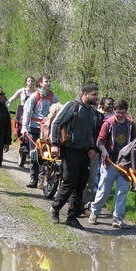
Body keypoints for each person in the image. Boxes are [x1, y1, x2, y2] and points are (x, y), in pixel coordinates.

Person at [49, 83, 103, 229]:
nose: (96, 97)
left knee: (81, 185)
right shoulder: (73, 106)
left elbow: (93, 133)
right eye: (94, 94)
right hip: (70, 151)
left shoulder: (92, 112)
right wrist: (54, 144)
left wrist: (93, 149)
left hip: (85, 153)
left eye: (97, 94)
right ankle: (55, 208)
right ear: (85, 94)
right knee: (69, 181)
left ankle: (72, 217)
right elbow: (56, 123)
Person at [88, 99, 136, 229]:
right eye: (118, 112)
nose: (120, 114)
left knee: (122, 191)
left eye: (123, 112)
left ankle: (117, 218)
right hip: (110, 161)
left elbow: (134, 142)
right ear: (114, 111)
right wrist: (104, 151)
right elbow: (100, 141)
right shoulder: (108, 123)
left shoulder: (131, 124)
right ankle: (94, 211)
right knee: (104, 190)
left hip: (125, 163)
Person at [21, 74, 59, 188]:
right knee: (34, 154)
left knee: (45, 154)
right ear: (40, 83)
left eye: (49, 81)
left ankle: (42, 179)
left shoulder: (54, 97)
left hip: (47, 130)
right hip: (34, 128)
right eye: (46, 81)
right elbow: (27, 111)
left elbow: (57, 113)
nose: (48, 83)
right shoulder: (34, 96)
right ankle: (33, 178)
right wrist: (24, 127)